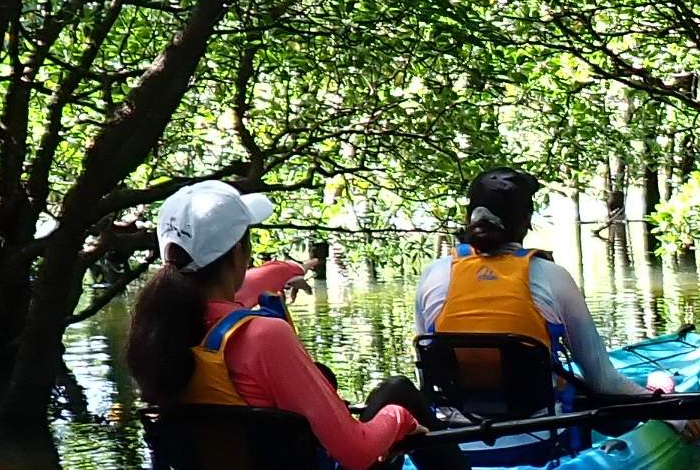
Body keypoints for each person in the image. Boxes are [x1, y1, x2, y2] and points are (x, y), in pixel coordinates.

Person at [127, 180, 461, 470]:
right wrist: (399, 419)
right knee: (397, 392)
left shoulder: (157, 330)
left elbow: (249, 283)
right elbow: (356, 454)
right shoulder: (264, 336)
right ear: (238, 252)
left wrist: (290, 269)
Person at [413, 168, 656, 465]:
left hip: (456, 450)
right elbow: (604, 383)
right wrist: (668, 412)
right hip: (540, 445)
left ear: (469, 217)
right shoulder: (553, 278)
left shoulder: (432, 276)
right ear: (526, 221)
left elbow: (428, 377)